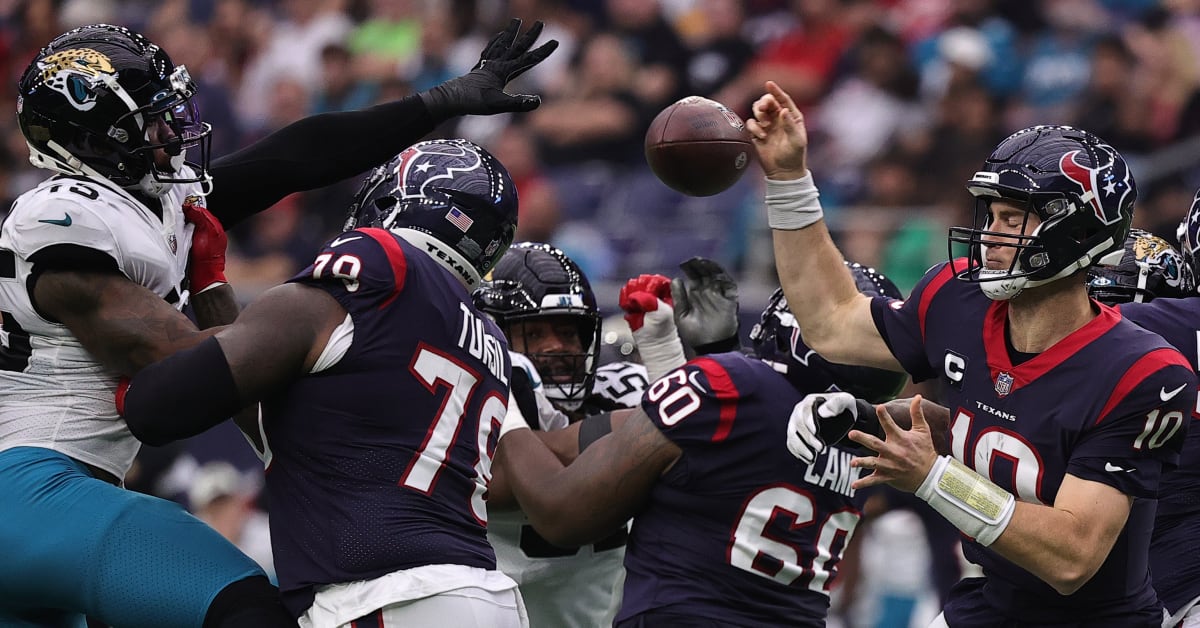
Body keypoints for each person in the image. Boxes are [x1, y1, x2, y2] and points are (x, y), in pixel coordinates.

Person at [1, 20, 556, 628]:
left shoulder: (137, 207)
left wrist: (435, 104)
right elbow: (179, 371)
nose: (172, 134)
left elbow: (292, 159)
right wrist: (342, 347)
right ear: (92, 137)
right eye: (152, 122)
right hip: (30, 486)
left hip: (62, 499)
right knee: (249, 608)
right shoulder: (63, 217)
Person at [754, 79, 1195, 626]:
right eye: (990, 213)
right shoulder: (956, 298)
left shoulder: (1143, 370)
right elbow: (833, 322)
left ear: (1080, 231)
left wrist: (931, 476)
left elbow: (1073, 555)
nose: (990, 234)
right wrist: (789, 178)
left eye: (1014, 218)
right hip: (990, 602)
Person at [120, 138, 530, 626]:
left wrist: (132, 376)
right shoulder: (486, 334)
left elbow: (173, 399)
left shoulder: (384, 261)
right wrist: (210, 283)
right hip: (480, 592)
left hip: (388, 596)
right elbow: (278, 418)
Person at [494, 259, 908, 626]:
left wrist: (503, 403)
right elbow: (713, 461)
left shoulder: (735, 388)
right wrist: (702, 355)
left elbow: (562, 510)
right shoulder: (869, 436)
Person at [470, 242, 628, 628]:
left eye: (566, 331)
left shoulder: (621, 392)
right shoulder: (459, 419)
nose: (557, 346)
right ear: (493, 339)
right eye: (535, 333)